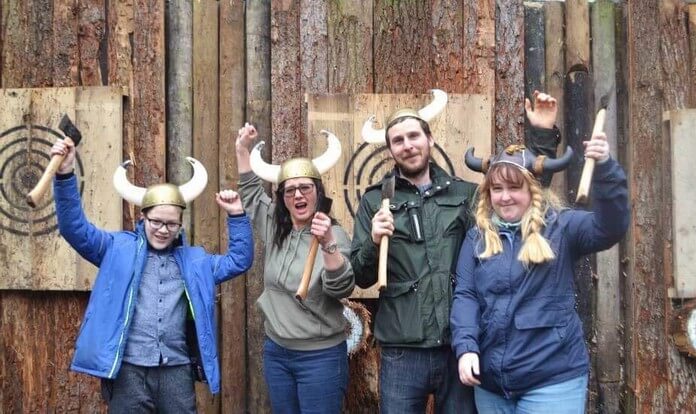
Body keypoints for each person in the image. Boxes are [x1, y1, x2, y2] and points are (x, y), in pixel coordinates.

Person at [350, 90, 561, 413]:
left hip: (460, 346)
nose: (408, 145)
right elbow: (360, 275)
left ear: (429, 139)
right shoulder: (375, 201)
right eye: (398, 141)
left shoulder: (466, 194)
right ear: (390, 150)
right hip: (402, 350)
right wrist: (373, 241)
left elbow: (521, 205)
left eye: (413, 136)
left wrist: (543, 138)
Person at [51, 139, 254, 413]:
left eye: (171, 223)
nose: (162, 229)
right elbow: (73, 228)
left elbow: (239, 260)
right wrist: (64, 175)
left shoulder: (196, 262)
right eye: (156, 221)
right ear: (143, 217)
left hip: (176, 371)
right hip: (128, 371)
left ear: (180, 225)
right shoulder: (115, 249)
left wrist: (237, 215)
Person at [451, 132, 630, 413]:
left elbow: (611, 227)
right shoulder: (477, 237)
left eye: (514, 188)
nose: (505, 197)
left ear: (532, 190)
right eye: (497, 189)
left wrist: (605, 168)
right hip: (492, 386)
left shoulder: (562, 227)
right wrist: (466, 347)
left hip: (551, 380)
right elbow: (466, 295)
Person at [235, 122, 355, 414]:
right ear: (282, 199)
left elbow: (342, 287)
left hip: (321, 357)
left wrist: (326, 243)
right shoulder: (276, 227)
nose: (298, 196)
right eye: (289, 191)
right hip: (277, 352)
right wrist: (242, 150)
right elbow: (251, 193)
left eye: (305, 188)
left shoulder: (335, 235)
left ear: (317, 191)